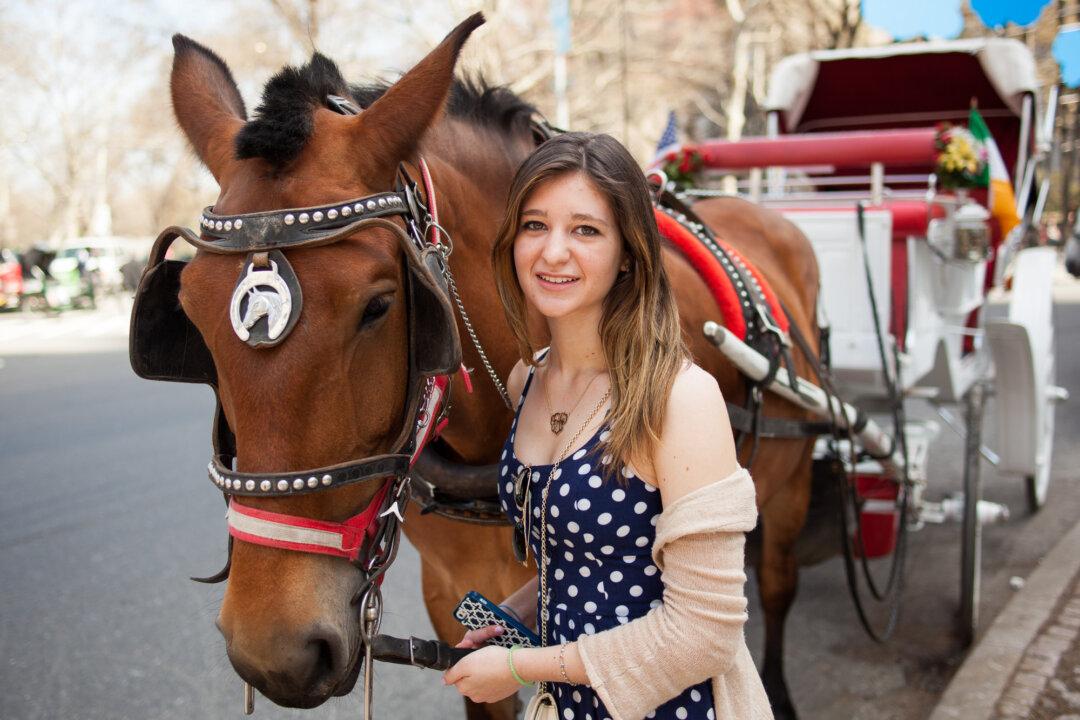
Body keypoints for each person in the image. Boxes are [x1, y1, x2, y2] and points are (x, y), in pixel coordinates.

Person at [442, 132, 772, 720]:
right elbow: (586, 563)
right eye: (535, 225)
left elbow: (704, 634)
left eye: (585, 230)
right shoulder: (528, 381)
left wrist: (520, 669)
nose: (552, 253)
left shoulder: (679, 399)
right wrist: (517, 616)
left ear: (628, 251)